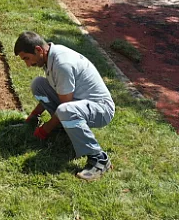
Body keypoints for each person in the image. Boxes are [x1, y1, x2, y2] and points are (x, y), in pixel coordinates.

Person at [14, 31, 115, 181]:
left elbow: (65, 105)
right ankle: (66, 128)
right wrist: (33, 116)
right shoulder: (50, 57)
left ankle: (99, 158)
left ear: (38, 50)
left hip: (101, 109)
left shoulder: (62, 64)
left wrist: (45, 130)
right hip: (79, 103)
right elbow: (56, 91)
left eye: (27, 59)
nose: (28, 65)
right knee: (38, 85)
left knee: (65, 111)